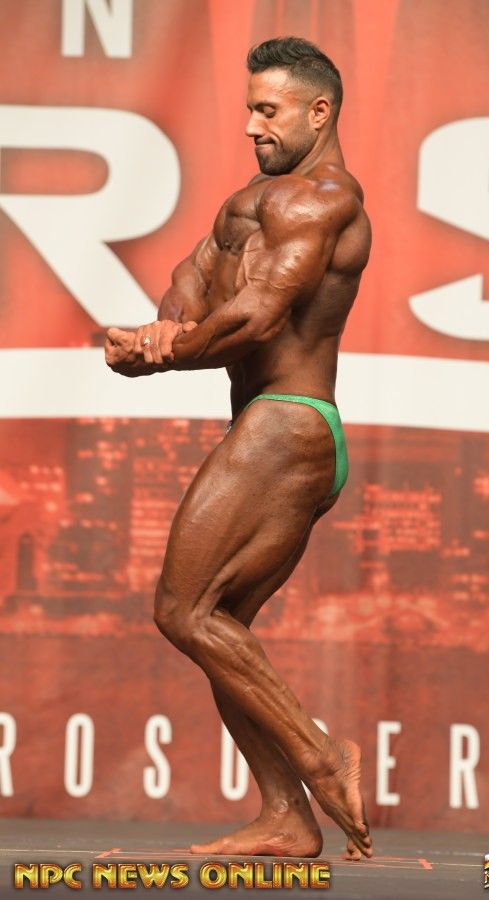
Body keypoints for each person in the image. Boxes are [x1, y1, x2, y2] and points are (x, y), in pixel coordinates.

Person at [104, 36, 372, 860]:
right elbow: (189, 287)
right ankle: (287, 816)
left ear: (319, 112)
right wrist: (155, 335)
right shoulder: (249, 202)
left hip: (288, 422)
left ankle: (322, 756)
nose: (252, 125)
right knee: (221, 629)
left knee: (181, 610)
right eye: (250, 109)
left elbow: (259, 316)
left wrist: (168, 353)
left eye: (269, 110)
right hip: (264, 425)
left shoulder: (325, 199)